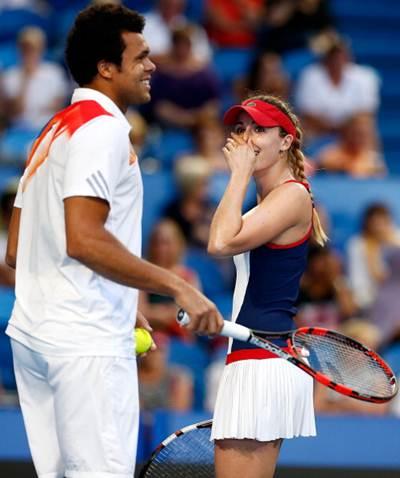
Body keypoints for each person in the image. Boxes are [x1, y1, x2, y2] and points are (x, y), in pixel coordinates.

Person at [4, 5, 223, 478]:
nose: (152, 66)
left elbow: (16, 253)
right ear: (106, 68)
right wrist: (178, 285)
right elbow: (83, 238)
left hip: (38, 337)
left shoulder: (53, 129)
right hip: (84, 342)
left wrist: (118, 297)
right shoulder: (102, 131)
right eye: (141, 57)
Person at [206, 94, 328, 478]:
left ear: (286, 141)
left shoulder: (292, 196)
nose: (247, 138)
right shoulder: (272, 201)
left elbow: (219, 243)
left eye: (260, 129)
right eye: (241, 129)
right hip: (257, 356)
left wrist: (238, 174)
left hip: (261, 359)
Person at [316, 112, 386, 178]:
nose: (360, 139)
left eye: (365, 135)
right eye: (356, 133)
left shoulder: (374, 160)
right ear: (346, 133)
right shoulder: (329, 155)